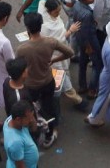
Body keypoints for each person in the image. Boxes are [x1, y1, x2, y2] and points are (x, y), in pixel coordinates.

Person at [15, 12, 74, 146]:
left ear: (27, 28)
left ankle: (34, 133)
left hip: (30, 85)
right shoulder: (50, 42)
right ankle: (49, 134)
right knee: (49, 108)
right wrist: (53, 59)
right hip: (47, 81)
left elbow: (18, 68)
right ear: (41, 26)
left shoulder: (21, 49)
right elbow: (70, 52)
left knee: (32, 110)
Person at [3, 100, 39, 168]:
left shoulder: (10, 119)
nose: (31, 120)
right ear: (18, 119)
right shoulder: (15, 142)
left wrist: (31, 115)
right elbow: (20, 166)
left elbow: (34, 128)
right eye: (28, 119)